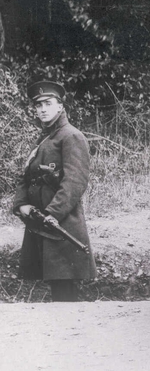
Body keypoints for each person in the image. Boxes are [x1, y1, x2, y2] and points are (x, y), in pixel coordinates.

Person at [12, 81, 96, 302]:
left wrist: (53, 213)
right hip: (41, 220)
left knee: (64, 286)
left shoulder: (71, 136)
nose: (43, 109)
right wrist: (21, 205)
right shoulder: (43, 139)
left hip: (61, 222)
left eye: (48, 104)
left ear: (60, 106)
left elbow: (75, 182)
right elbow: (26, 175)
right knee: (54, 283)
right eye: (38, 106)